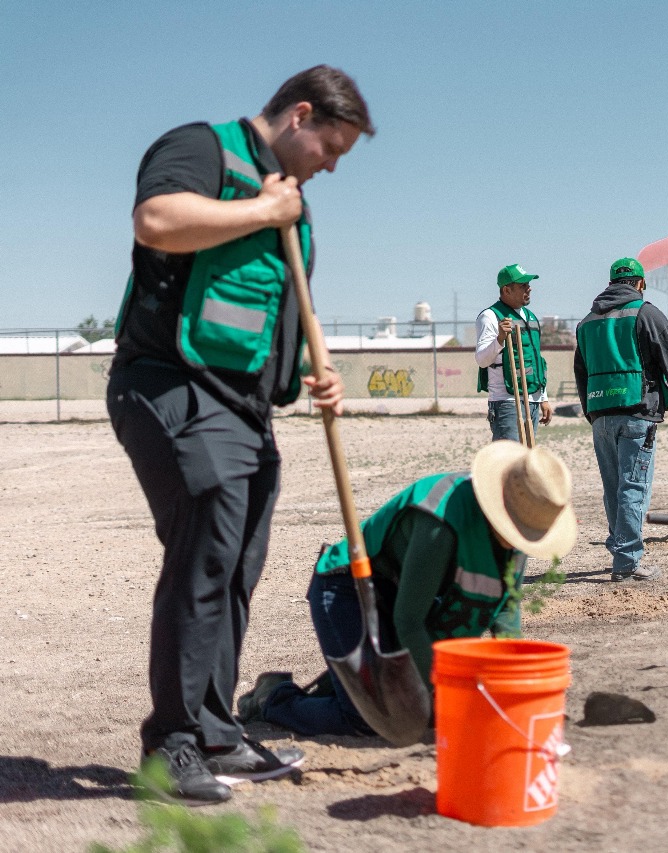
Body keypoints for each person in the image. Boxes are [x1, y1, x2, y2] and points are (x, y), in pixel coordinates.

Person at [105, 66, 374, 804]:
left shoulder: (290, 205)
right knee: (205, 546)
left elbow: (273, 311)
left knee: (236, 564)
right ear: (299, 115)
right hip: (169, 384)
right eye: (331, 147)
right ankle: (173, 744)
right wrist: (261, 211)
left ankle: (218, 729)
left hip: (243, 408)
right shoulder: (204, 150)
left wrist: (311, 375)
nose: (332, 165)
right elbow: (156, 220)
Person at [237, 443, 577, 737]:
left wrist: (513, 687)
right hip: (350, 592)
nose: (521, 541)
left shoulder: (519, 532)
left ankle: (353, 681)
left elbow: (506, 613)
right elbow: (409, 620)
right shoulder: (439, 522)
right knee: (372, 720)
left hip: (401, 599)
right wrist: (446, 692)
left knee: (399, 700)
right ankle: (273, 698)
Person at [574, 257, 668, 582]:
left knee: (613, 487)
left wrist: (592, 412)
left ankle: (620, 549)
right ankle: (627, 562)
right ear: (640, 283)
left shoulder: (586, 322)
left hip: (600, 415)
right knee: (633, 486)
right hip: (637, 412)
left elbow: (581, 372)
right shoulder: (645, 313)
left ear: (611, 283)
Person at [475, 264, 551, 441]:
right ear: (506, 290)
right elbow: (481, 360)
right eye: (523, 285)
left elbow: (535, 360)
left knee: (526, 461)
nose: (529, 288)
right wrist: (500, 338)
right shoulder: (490, 316)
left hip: (533, 399)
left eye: (528, 284)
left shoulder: (530, 316)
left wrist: (543, 398)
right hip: (507, 402)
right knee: (510, 460)